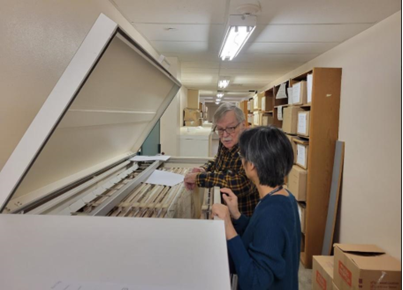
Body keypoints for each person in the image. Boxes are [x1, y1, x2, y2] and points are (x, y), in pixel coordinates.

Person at [212, 126, 301, 290]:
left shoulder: (273, 214)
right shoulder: (283, 197)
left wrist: (229, 228)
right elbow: (262, 237)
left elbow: (255, 283)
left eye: (242, 155)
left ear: (252, 164)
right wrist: (237, 216)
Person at [184, 103, 259, 217]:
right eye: (220, 129)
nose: (224, 135)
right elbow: (218, 160)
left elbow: (242, 184)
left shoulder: (251, 146)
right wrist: (203, 169)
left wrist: (199, 178)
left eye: (231, 128)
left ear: (243, 125)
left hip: (244, 219)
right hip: (225, 212)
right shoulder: (226, 141)